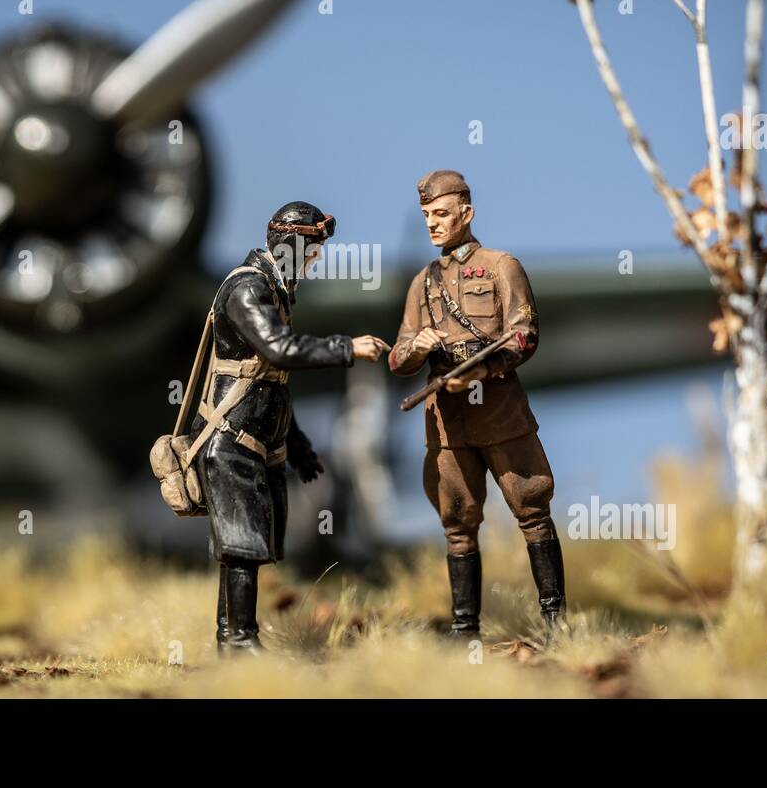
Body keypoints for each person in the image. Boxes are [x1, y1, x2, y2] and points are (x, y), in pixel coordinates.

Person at [196, 201, 389, 653]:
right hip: (231, 440)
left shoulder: (274, 291)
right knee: (241, 546)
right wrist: (347, 348)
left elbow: (268, 380)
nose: (315, 261)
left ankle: (233, 638)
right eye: (312, 251)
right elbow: (279, 350)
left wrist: (296, 440)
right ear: (291, 245)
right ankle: (239, 640)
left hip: (256, 441)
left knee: (244, 546)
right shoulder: (247, 289)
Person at [388, 170, 567, 640]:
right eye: (427, 215)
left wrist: (484, 369)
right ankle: (465, 629)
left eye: (442, 214)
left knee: (532, 510)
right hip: (449, 425)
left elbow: (525, 334)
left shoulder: (500, 266)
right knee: (457, 523)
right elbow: (398, 357)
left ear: (466, 214)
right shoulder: (422, 284)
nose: (433, 223)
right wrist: (418, 348)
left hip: (499, 412)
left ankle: (556, 623)